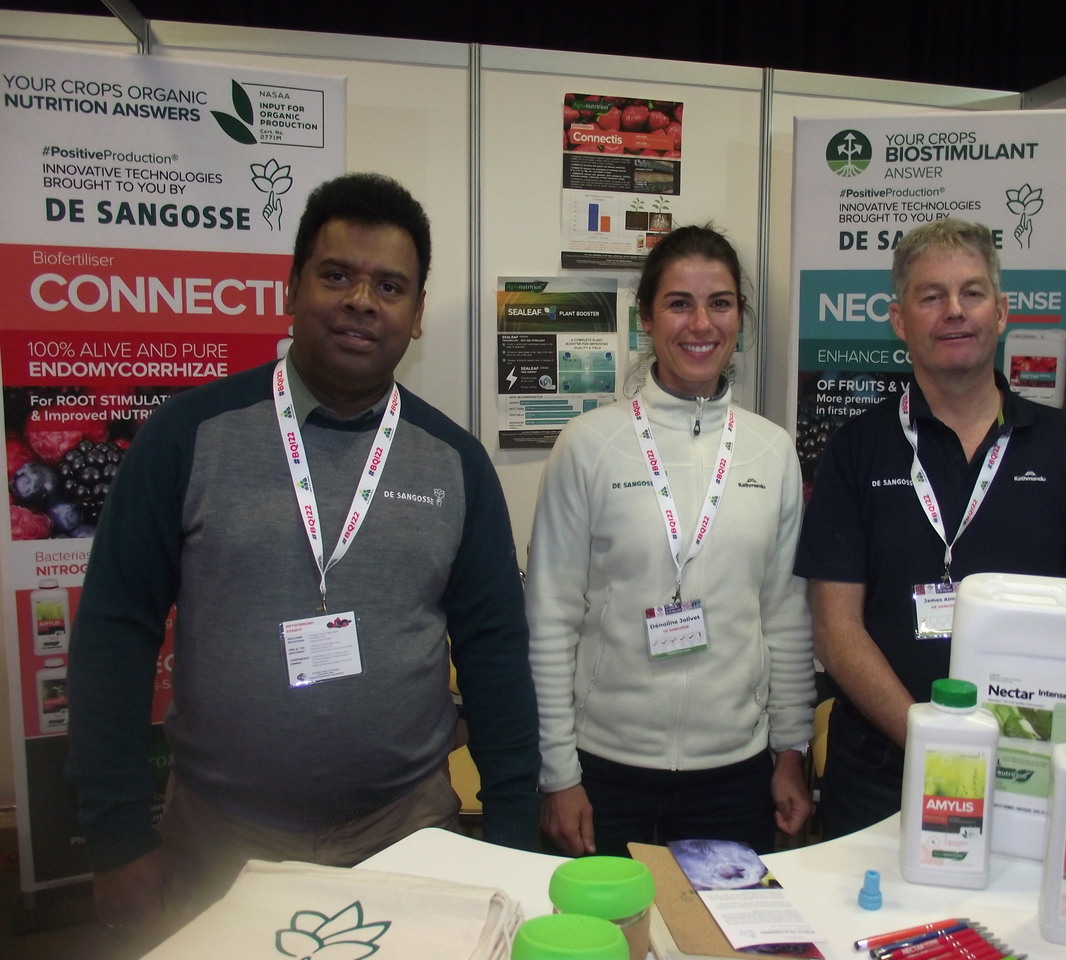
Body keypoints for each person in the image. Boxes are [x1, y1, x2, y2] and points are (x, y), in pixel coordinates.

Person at [66, 172, 540, 940]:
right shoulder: (189, 436)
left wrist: (513, 827)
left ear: (417, 315)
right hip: (221, 838)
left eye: (390, 286)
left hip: (408, 833)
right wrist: (117, 837)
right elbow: (115, 633)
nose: (362, 301)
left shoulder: (455, 462)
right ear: (291, 288)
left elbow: (495, 652)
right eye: (337, 275)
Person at [794, 218, 1066, 838]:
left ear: (1000, 312)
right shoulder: (858, 449)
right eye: (932, 296)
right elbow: (835, 629)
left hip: (1027, 774)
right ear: (900, 321)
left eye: (972, 293)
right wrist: (936, 743)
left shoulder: (1064, 448)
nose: (955, 310)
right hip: (880, 774)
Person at [526, 225, 816, 859]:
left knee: (717, 925)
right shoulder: (589, 445)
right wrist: (558, 773)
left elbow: (785, 617)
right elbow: (549, 619)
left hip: (735, 772)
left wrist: (792, 749)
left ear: (739, 317)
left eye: (720, 303)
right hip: (603, 769)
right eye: (679, 303)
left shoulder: (771, 451)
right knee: (606, 923)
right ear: (647, 319)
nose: (701, 324)